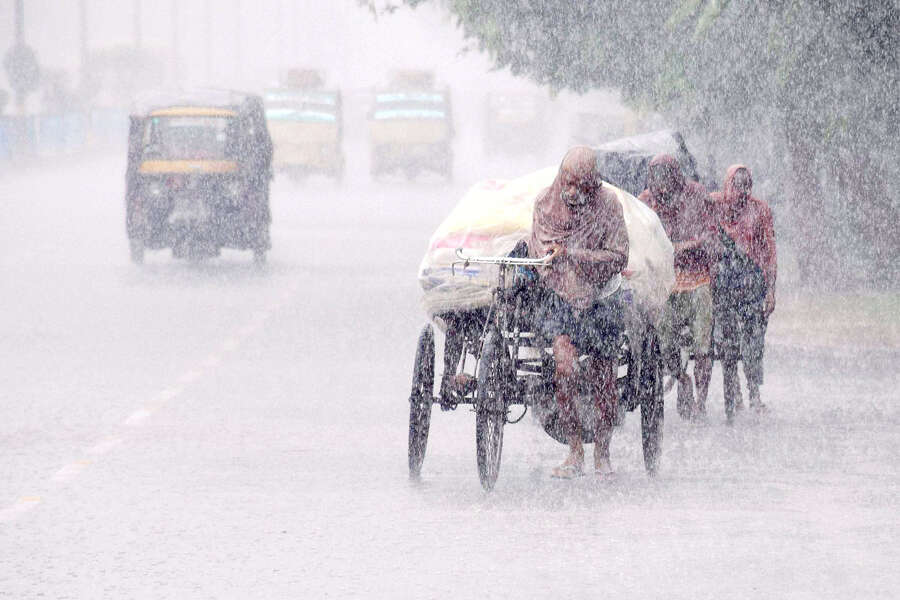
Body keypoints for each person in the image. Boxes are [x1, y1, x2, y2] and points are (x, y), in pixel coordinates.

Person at [529, 146, 629, 478]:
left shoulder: (609, 205)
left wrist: (573, 254)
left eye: (580, 186)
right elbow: (541, 258)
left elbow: (618, 258)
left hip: (602, 297)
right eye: (567, 182)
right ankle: (574, 451)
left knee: (604, 376)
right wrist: (559, 267)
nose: (571, 192)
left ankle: (602, 451)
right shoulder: (546, 203)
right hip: (560, 297)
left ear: (593, 185)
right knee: (565, 367)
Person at [638, 154, 719, 421]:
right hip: (664, 283)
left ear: (676, 176)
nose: (661, 187)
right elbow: (637, 237)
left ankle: (701, 401)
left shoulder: (698, 195)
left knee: (702, 345)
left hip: (697, 279)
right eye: (656, 180)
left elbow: (710, 235)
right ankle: (680, 377)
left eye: (665, 179)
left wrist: (682, 248)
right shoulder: (646, 201)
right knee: (662, 340)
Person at [710, 165, 777, 421]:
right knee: (727, 343)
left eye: (746, 185)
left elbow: (770, 252)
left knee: (753, 343)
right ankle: (734, 391)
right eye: (737, 184)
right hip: (724, 287)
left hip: (752, 285)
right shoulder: (714, 204)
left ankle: (754, 394)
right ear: (727, 185)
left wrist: (770, 290)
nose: (742, 190)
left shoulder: (760, 210)